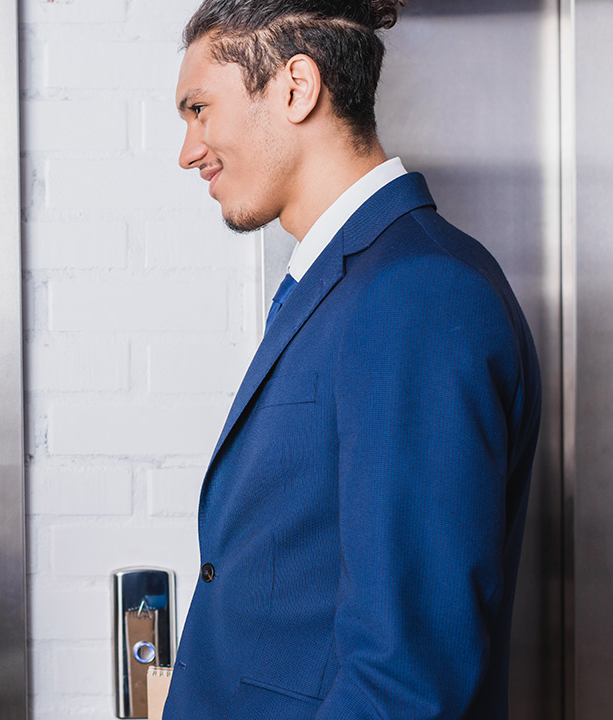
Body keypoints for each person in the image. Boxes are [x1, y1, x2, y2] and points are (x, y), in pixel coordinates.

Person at [166, 1, 542, 717]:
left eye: (199, 108)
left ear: (295, 88)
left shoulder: (419, 293)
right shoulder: (343, 283)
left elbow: (405, 675)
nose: (189, 149)